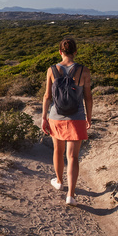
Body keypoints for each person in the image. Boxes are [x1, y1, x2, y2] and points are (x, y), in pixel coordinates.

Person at [41, 38, 92, 205]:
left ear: (60, 52)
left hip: (56, 116)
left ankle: (59, 182)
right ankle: (71, 195)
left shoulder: (52, 70)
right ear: (75, 52)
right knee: (73, 157)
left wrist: (43, 117)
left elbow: (47, 96)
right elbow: (88, 97)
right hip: (76, 118)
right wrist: (88, 117)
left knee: (58, 150)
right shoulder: (84, 71)